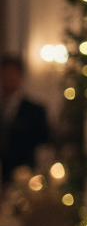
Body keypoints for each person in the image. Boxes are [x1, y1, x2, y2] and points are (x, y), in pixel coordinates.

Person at [0, 54, 50, 186]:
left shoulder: (35, 110)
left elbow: (43, 145)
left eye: (12, 73)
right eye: (5, 74)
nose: (8, 78)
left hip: (25, 176)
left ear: (20, 76)